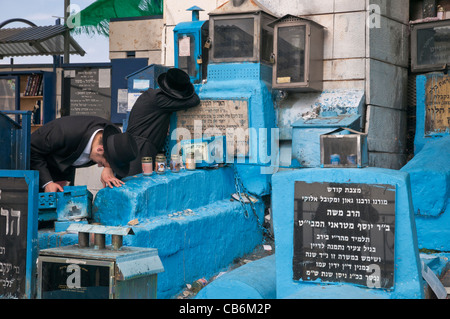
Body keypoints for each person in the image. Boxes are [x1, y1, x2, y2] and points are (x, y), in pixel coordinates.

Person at [124, 68, 200, 177]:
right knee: (135, 182)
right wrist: (190, 91)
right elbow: (194, 100)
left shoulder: (151, 95)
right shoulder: (160, 100)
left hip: (135, 145)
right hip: (140, 149)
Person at [31, 115, 138, 192]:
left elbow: (114, 149)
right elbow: (32, 149)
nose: (99, 165)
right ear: (100, 149)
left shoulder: (113, 137)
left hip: (65, 171)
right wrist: (47, 182)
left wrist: (108, 167)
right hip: (37, 169)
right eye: (101, 163)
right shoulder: (64, 133)